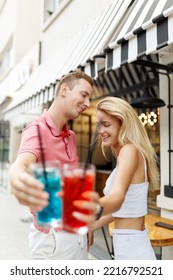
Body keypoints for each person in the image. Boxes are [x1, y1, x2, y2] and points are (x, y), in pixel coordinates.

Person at [9, 71, 99, 260]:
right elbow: (20, 166)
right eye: (84, 95)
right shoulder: (36, 130)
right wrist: (19, 181)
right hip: (53, 238)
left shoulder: (71, 136)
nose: (88, 103)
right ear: (64, 90)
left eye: (89, 98)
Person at [87, 96, 159, 260]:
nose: (100, 131)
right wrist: (92, 225)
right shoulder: (129, 153)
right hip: (129, 245)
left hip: (132, 250)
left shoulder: (129, 151)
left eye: (106, 124)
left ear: (122, 123)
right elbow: (123, 209)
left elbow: (117, 198)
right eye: (99, 125)